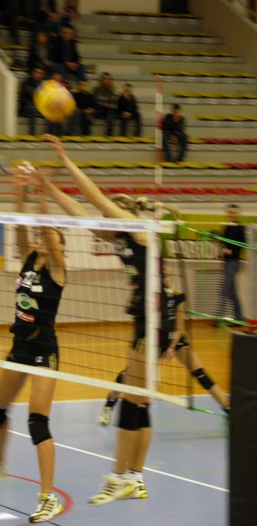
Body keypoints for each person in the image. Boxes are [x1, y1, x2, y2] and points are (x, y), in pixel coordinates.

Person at [37, 135, 179, 506]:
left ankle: (119, 477)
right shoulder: (119, 236)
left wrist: (66, 160)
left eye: (107, 216)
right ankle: (134, 477)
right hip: (147, 321)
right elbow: (80, 215)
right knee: (140, 403)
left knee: (132, 403)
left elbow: (96, 200)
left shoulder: (136, 229)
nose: (101, 221)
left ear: (120, 214)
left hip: (153, 323)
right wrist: (47, 186)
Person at [0, 168, 66, 523]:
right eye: (40, 235)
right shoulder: (28, 258)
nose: (42, 238)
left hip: (44, 351)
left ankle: (47, 497)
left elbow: (49, 235)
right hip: (18, 347)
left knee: (38, 422)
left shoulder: (58, 268)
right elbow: (22, 225)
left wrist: (41, 193)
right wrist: (21, 190)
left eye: (49, 237)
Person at [99, 263, 230, 426]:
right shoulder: (149, 297)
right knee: (128, 375)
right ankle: (108, 406)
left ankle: (228, 408)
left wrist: (171, 346)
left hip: (174, 340)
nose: (166, 280)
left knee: (201, 374)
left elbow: (180, 327)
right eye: (162, 277)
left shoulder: (178, 297)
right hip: (152, 341)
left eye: (168, 276)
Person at [217, 204, 245, 324]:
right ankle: (239, 318)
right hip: (227, 262)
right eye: (230, 212)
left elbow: (242, 245)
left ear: (238, 214)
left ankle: (220, 319)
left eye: (234, 212)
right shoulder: (227, 227)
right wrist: (219, 242)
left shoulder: (241, 228)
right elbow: (224, 243)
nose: (232, 215)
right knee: (232, 292)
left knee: (224, 290)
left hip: (234, 262)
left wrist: (231, 251)